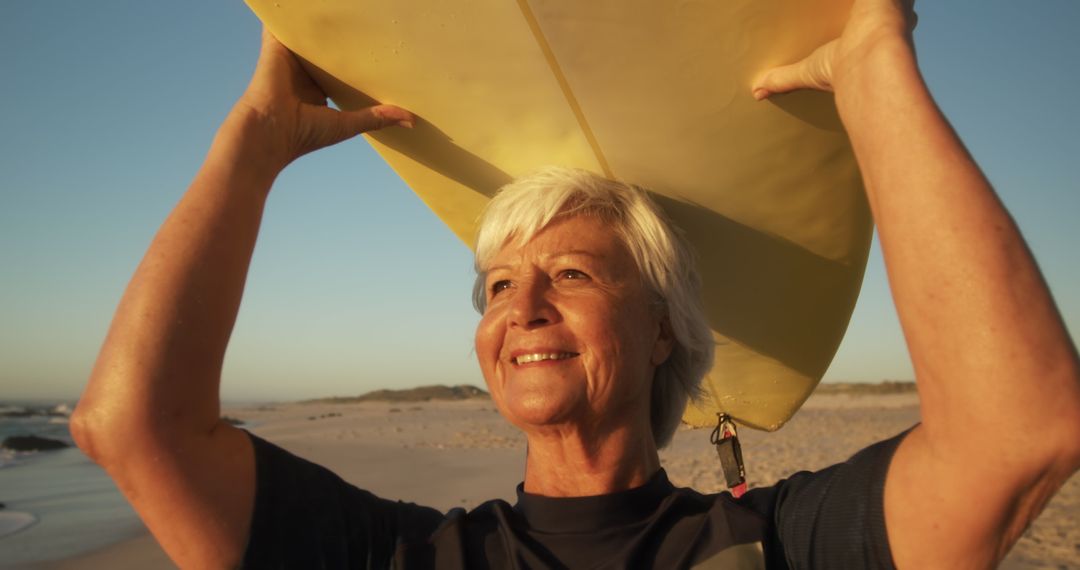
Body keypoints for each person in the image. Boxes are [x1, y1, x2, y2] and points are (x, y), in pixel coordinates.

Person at [71, 0, 1080, 568]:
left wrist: (874, 69)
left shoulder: (774, 546)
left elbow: (1022, 427)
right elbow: (132, 427)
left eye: (570, 272)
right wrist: (252, 147)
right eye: (497, 285)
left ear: (660, 331)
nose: (520, 309)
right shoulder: (407, 559)